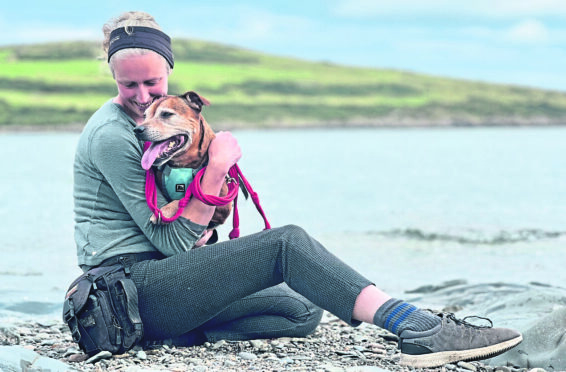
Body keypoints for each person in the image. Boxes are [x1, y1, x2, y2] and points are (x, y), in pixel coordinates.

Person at [73, 11, 522, 368]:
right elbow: (170, 244)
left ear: (168, 70)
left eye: (152, 82)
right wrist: (216, 169)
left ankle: (175, 337)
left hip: (156, 299)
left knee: (302, 309)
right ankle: (418, 327)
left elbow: (182, 233)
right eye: (128, 84)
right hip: (123, 294)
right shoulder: (113, 136)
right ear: (113, 79)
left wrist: (208, 208)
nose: (142, 94)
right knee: (286, 243)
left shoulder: (155, 125)